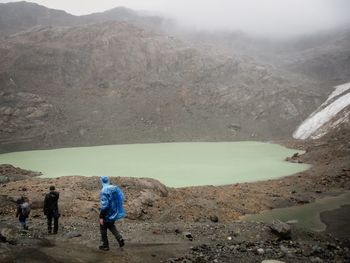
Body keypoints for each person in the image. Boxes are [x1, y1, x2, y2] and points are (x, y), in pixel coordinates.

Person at [99, 176, 125, 251]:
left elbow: (105, 205)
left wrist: (101, 216)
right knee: (111, 226)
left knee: (103, 228)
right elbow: (122, 197)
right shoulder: (114, 188)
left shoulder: (104, 190)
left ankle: (105, 245)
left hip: (106, 213)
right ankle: (119, 238)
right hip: (114, 212)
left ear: (102, 181)